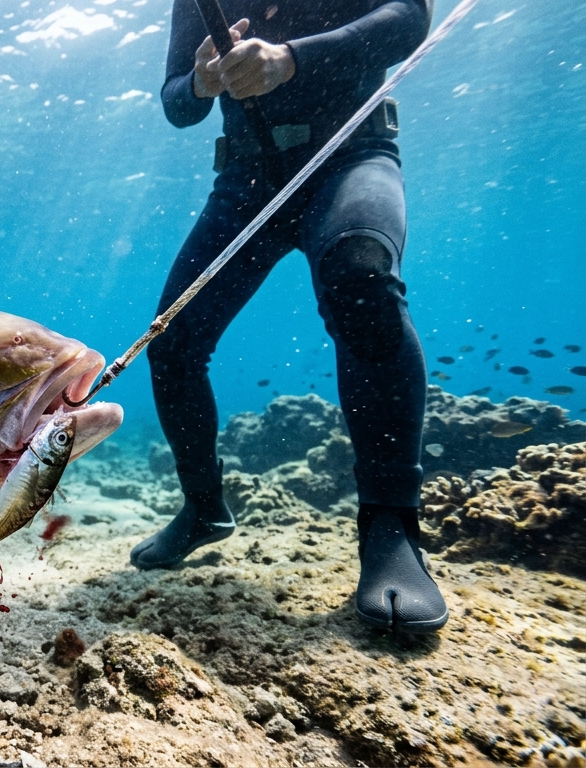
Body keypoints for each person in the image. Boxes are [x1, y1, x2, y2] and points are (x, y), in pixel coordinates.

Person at [130, 0, 448, 633]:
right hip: (248, 177)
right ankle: (203, 509)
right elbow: (177, 104)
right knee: (172, 342)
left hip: (352, 153)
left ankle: (391, 529)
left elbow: (410, 18)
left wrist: (289, 59)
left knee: (362, 280)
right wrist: (203, 80)